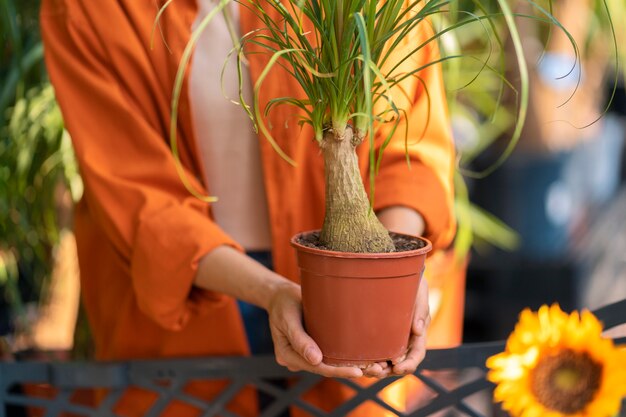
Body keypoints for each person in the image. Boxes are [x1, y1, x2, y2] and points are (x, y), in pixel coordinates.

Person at [40, 0, 456, 415]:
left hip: (345, 284)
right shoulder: (91, 9)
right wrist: (271, 291)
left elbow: (410, 147)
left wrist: (395, 270)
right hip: (188, 300)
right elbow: (137, 195)